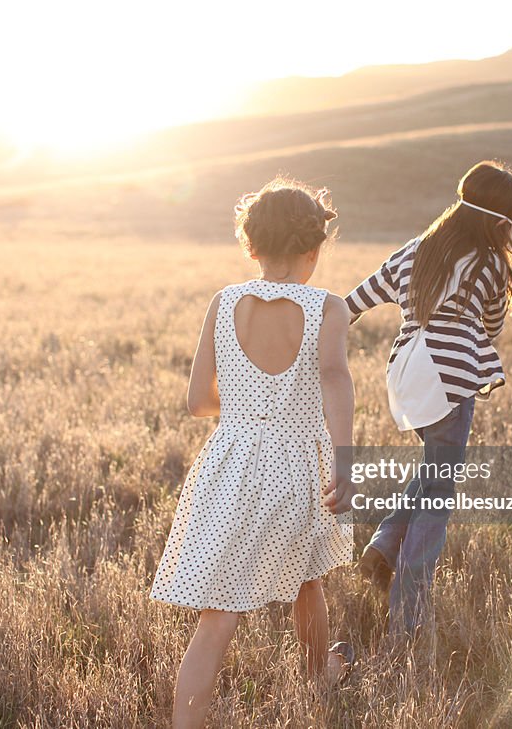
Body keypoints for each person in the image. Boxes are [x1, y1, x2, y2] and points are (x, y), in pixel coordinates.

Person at [150, 177, 357, 728]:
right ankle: (321, 672)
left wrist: (247, 405)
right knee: (308, 576)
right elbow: (335, 379)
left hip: (230, 466)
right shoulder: (327, 308)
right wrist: (345, 460)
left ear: (252, 247)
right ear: (313, 250)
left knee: (217, 615)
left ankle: (188, 723)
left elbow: (198, 401)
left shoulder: (225, 302)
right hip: (299, 469)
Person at [346, 160, 512, 636]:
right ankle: (408, 618)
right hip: (452, 381)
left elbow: (355, 302)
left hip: (407, 377)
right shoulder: (492, 263)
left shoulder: (415, 250)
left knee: (433, 470)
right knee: (439, 495)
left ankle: (383, 544)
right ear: (501, 224)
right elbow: (491, 327)